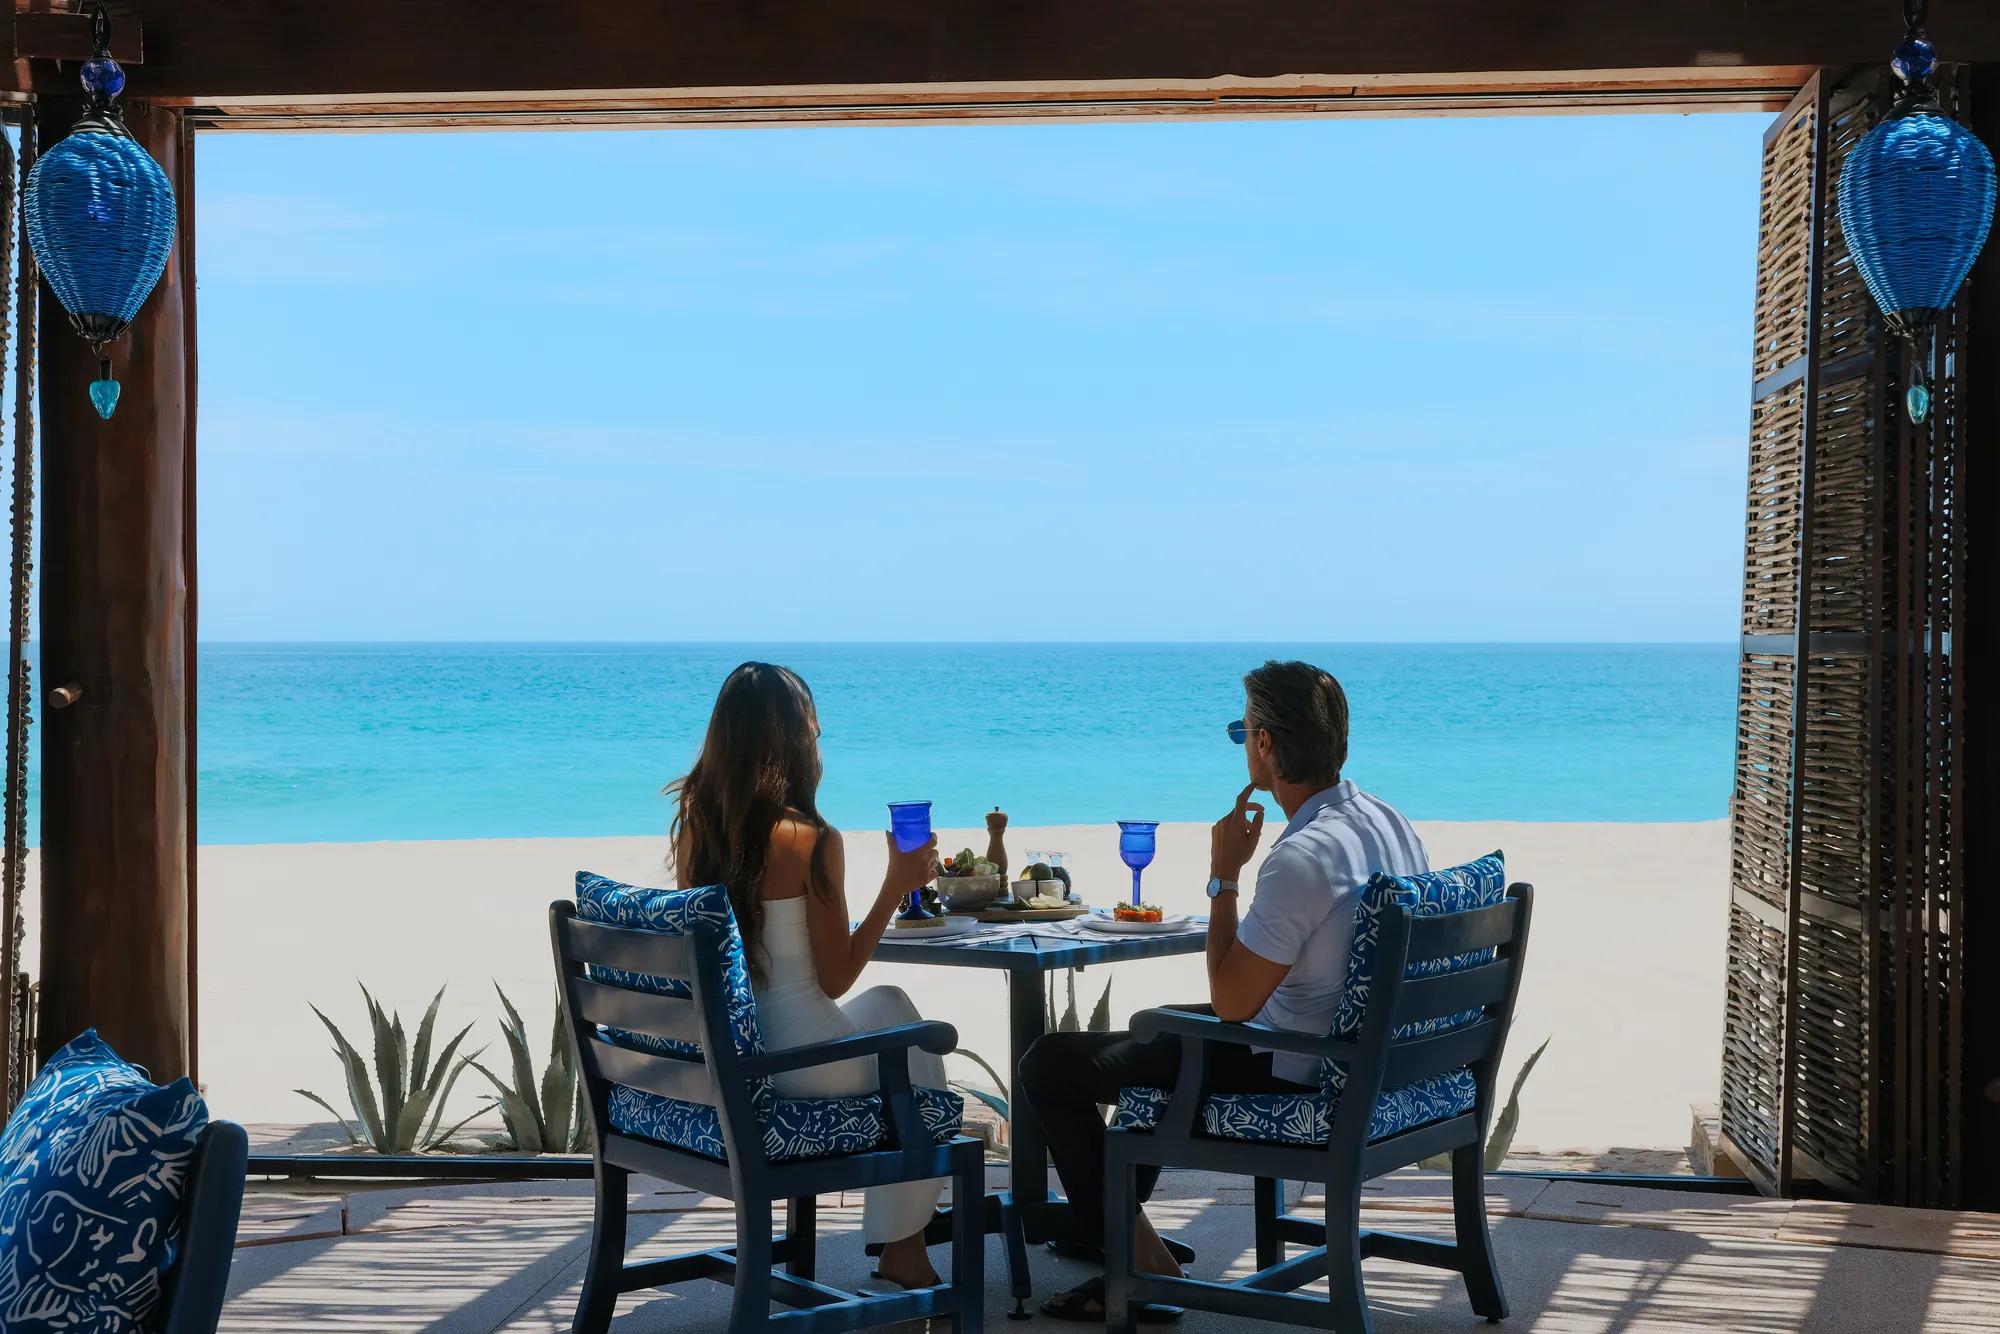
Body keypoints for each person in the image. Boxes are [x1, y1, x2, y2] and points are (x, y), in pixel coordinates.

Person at [1020, 659, 1429, 1322]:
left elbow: (1234, 1004)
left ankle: (1133, 1255)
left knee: (1049, 1064)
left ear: (1266, 744)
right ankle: (1115, 1229)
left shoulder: (1303, 857)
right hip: (1384, 1065)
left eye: (1245, 730)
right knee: (1151, 1032)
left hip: (1302, 1071)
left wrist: (1225, 877)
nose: (1245, 743)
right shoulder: (1387, 822)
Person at [668, 661, 946, 1291]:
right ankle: (904, 1246)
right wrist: (895, 888)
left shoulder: (697, 831)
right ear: (794, 744)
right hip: (799, 1067)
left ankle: (907, 1240)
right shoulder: (810, 838)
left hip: (734, 1058)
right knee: (918, 1040)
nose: (820, 748)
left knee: (895, 1007)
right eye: (815, 735)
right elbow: (838, 976)